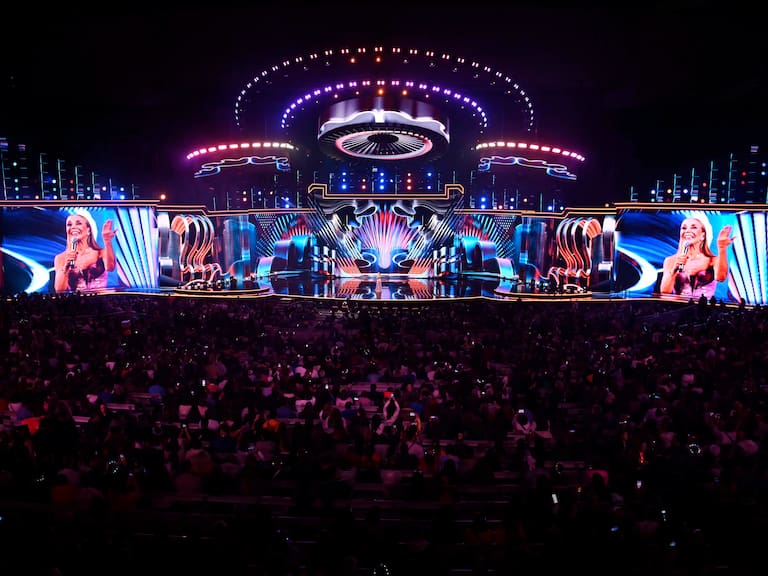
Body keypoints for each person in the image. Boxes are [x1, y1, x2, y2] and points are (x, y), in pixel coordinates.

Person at [659, 216, 734, 300]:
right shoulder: (671, 261)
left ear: (703, 235)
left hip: (705, 308)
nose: (688, 231)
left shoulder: (712, 260)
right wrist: (673, 271)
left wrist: (722, 248)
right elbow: (664, 292)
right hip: (679, 308)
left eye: (693, 227)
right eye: (684, 228)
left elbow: (721, 278)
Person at [53, 212, 118, 292]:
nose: (73, 227)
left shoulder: (100, 253)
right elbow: (59, 290)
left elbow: (110, 268)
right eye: (69, 225)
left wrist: (107, 241)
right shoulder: (61, 258)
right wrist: (66, 267)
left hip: (99, 301)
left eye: (78, 223)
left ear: (88, 230)